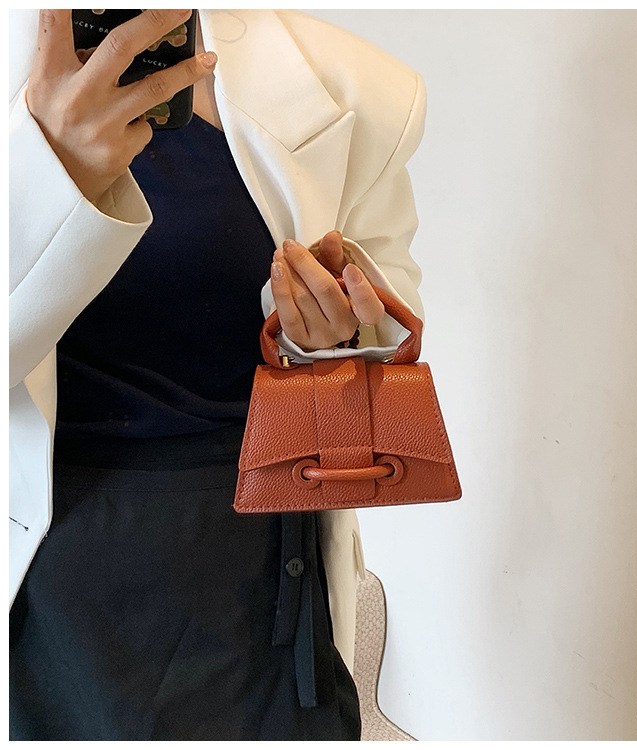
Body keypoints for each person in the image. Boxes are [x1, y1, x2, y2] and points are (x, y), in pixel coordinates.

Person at [9, 9, 426, 741]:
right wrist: (48, 179)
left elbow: (388, 334)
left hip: (247, 564)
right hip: (38, 557)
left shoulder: (357, 90)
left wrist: (325, 343)